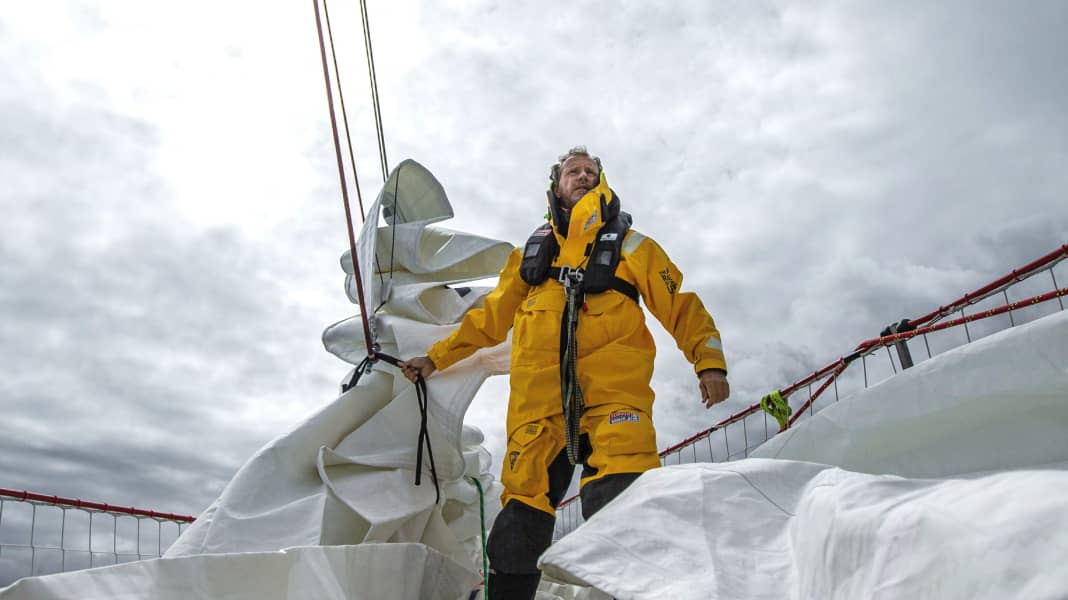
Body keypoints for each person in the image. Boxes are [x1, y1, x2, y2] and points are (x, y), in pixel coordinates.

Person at [401, 147, 729, 599]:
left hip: (615, 397)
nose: (582, 176)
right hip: (538, 408)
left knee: (624, 501)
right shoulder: (528, 257)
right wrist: (436, 358)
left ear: (602, 182)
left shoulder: (634, 247)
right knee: (519, 520)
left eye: (591, 171)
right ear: (556, 184)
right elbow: (488, 320)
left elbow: (681, 304)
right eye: (573, 171)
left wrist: (707, 360)